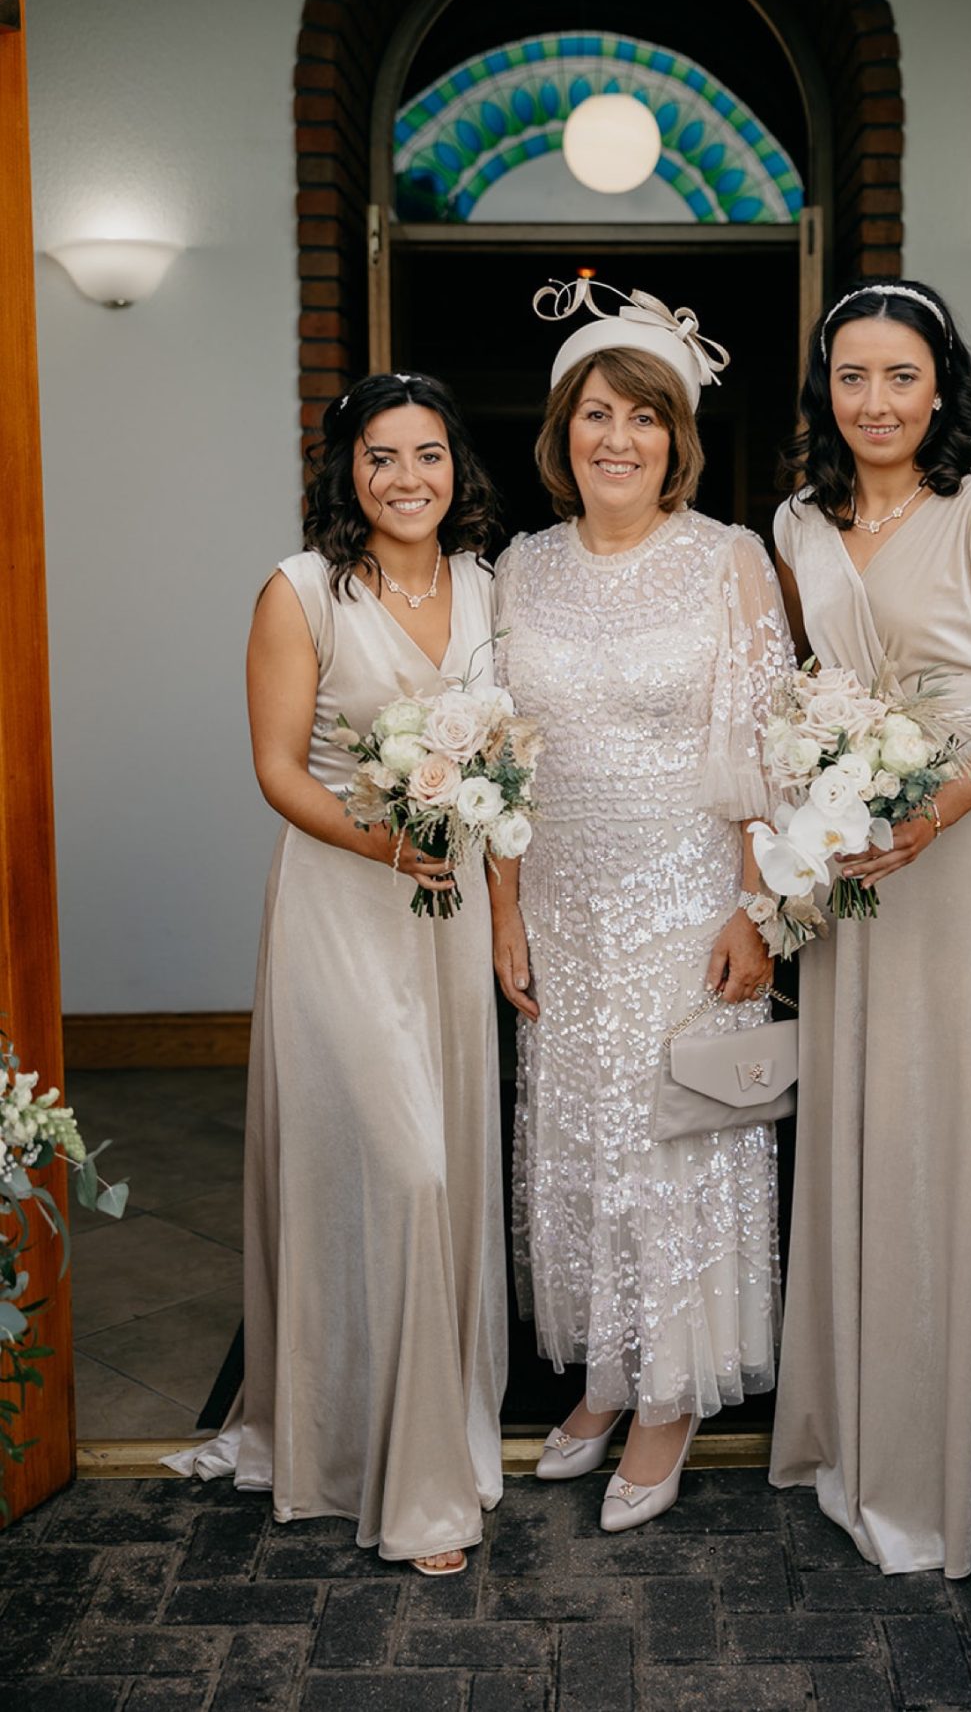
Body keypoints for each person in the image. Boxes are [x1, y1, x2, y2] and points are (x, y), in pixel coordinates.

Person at [769, 281, 971, 1577]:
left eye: (901, 376)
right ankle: (862, 1435)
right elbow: (798, 692)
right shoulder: (795, 522)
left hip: (955, 861)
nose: (877, 401)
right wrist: (810, 797)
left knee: (952, 1130)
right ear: (824, 389)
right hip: (853, 868)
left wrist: (936, 810)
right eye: (853, 376)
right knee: (865, 1131)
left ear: (941, 384)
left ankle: (953, 1459)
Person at [167, 373, 506, 1575]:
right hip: (341, 906)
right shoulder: (297, 591)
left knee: (441, 1176)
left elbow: (511, 776)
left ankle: (421, 1433)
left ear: (456, 465)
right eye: (380, 456)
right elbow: (279, 771)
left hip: (451, 913)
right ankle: (402, 1486)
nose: (406, 477)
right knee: (398, 1170)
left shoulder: (487, 588)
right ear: (344, 469)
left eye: (427, 453)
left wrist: (501, 916)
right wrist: (387, 840)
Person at [490, 279, 792, 1532]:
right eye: (595, 415)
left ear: (679, 438)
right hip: (560, 900)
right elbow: (489, 755)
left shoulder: (730, 561)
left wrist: (756, 910)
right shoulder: (516, 565)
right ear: (561, 433)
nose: (618, 439)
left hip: (688, 900)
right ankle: (606, 1377)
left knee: (674, 1141)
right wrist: (504, 914)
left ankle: (670, 1396)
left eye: (644, 418)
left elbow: (770, 750)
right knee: (580, 1141)